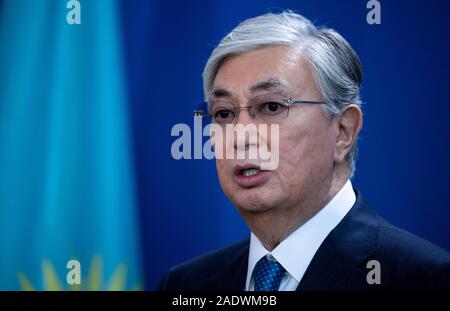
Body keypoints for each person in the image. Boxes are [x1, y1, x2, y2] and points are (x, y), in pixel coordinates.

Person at [158, 11, 450, 291]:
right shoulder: (185, 284)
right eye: (223, 114)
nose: (240, 135)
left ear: (342, 131)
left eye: (271, 106)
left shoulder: (425, 279)